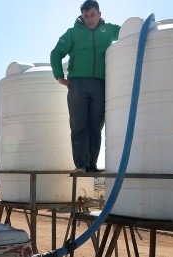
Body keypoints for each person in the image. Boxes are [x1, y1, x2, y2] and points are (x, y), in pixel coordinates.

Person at [50, 0, 120, 172]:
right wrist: (59, 76)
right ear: (82, 16)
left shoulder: (109, 30)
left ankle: (92, 165)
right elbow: (56, 52)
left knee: (96, 127)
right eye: (86, 16)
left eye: (93, 15)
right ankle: (80, 165)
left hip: (100, 85)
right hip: (78, 85)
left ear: (99, 14)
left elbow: (129, 32)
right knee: (79, 125)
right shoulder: (73, 33)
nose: (89, 19)